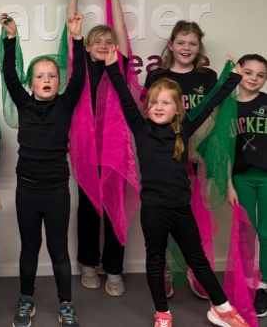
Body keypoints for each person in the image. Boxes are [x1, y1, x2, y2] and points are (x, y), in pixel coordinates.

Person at [105, 47, 249, 327]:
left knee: (198, 259)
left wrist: (232, 78)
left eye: (166, 102)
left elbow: (210, 102)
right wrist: (112, 67)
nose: (159, 107)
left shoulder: (184, 129)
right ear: (147, 108)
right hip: (154, 210)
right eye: (154, 102)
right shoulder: (141, 129)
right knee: (155, 261)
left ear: (178, 109)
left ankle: (221, 308)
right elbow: (124, 96)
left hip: (181, 209)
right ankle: (163, 313)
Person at [0, 11, 85, 327]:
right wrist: (11, 39)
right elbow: (9, 74)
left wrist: (77, 38)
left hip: (57, 191)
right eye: (40, 76)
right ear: (30, 82)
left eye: (52, 75)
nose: (46, 80)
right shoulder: (23, 103)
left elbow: (80, 76)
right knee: (29, 249)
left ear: (59, 82)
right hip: (28, 190)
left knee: (59, 252)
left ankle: (66, 304)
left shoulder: (65, 104)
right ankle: (26, 300)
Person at [144, 20, 218, 299]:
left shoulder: (208, 77)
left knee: (196, 217)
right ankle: (163, 269)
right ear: (171, 45)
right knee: (160, 218)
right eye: (181, 42)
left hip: (198, 158)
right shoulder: (157, 75)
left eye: (192, 43)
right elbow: (149, 117)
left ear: (199, 48)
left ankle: (196, 269)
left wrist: (199, 151)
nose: (186, 48)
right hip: (166, 161)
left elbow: (213, 116)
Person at [67, 0, 131, 296]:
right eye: (97, 41)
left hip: (115, 149)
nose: (104, 44)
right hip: (86, 150)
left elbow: (120, 29)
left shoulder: (119, 65)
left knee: (115, 206)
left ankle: (114, 270)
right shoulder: (79, 65)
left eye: (109, 41)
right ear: (87, 46)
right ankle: (89, 264)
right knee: (89, 208)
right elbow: (72, 31)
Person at [226, 54, 267, 318]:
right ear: (238, 72)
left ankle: (264, 286)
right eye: (248, 72)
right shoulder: (228, 107)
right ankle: (248, 283)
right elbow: (224, 150)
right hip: (240, 178)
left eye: (260, 75)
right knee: (246, 233)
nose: (253, 78)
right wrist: (228, 184)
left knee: (265, 232)